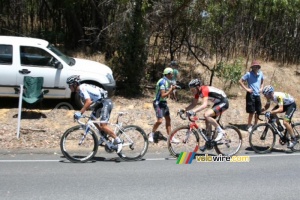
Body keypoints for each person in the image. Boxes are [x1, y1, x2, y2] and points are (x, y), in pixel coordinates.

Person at [66, 75, 122, 153]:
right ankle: (103, 135)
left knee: (103, 125)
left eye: (70, 85)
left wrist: (80, 112)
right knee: (92, 119)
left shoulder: (82, 88)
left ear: (75, 84)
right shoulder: (79, 91)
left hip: (105, 102)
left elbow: (88, 102)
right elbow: (90, 101)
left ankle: (118, 141)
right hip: (100, 102)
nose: (69, 87)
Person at [183, 79, 229, 148]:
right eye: (191, 90)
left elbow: (204, 105)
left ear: (198, 87)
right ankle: (209, 142)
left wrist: (193, 111)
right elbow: (194, 104)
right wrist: (184, 109)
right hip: (217, 103)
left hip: (224, 102)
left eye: (193, 89)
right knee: (207, 120)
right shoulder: (197, 92)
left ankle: (221, 132)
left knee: (206, 114)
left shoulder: (204, 90)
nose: (192, 91)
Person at [148, 67, 178, 143]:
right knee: (160, 121)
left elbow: (168, 94)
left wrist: (173, 94)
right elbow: (163, 95)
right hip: (158, 103)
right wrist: (171, 90)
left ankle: (170, 137)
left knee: (168, 119)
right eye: (171, 74)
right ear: (168, 74)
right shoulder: (162, 82)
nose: (172, 75)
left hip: (164, 103)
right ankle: (151, 134)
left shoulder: (168, 81)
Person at [239, 60, 264, 133]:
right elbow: (240, 81)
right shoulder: (248, 74)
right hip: (251, 95)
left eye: (257, 66)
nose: (255, 68)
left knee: (258, 111)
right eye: (254, 66)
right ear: (252, 67)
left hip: (258, 95)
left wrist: (261, 88)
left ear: (258, 67)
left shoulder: (261, 73)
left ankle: (256, 125)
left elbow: (262, 81)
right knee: (251, 111)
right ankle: (249, 126)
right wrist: (247, 89)